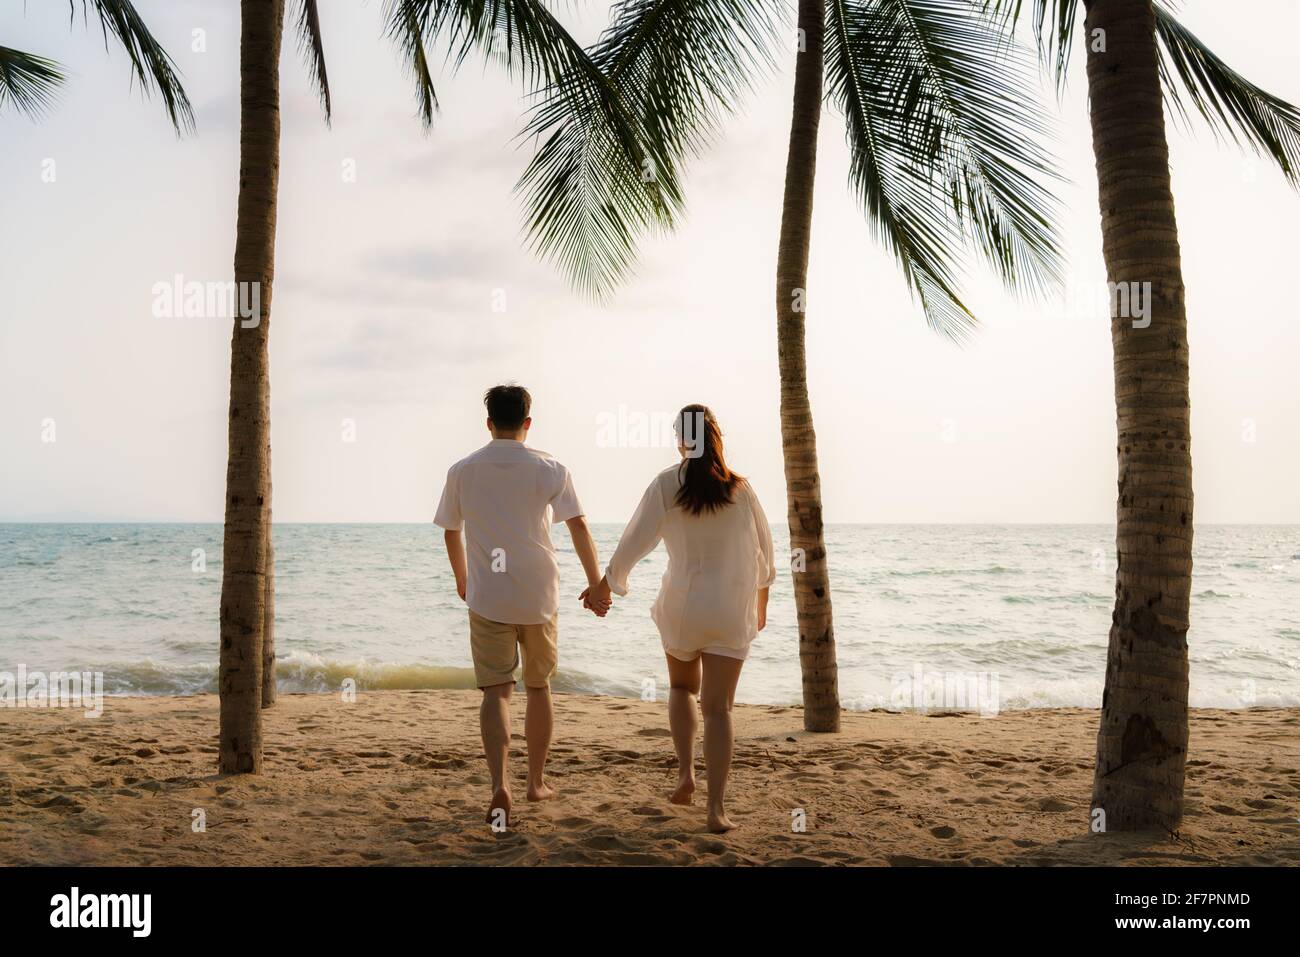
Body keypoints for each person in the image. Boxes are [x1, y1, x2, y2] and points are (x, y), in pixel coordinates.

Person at [582, 405, 776, 832]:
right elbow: (765, 553)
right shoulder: (741, 490)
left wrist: (603, 587)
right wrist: (760, 606)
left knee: (681, 688)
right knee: (719, 710)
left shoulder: (666, 484)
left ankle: (686, 775)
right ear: (715, 438)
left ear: (680, 439)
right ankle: (716, 809)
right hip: (728, 610)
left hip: (683, 608)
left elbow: (634, 542)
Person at [435, 384, 604, 827]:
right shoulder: (550, 467)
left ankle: (499, 785)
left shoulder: (463, 470)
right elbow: (579, 526)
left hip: (487, 593)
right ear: (528, 423)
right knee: (539, 687)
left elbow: (450, 531)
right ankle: (535, 781)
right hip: (539, 594)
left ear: (488, 423)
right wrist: (595, 583)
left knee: (496, 691)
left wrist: (462, 578)